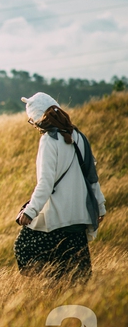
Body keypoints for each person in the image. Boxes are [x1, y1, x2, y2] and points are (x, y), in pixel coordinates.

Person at [14, 92, 106, 283]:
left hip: (57, 217)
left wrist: (30, 211)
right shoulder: (79, 136)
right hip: (80, 216)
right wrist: (101, 205)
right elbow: (92, 177)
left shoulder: (49, 140)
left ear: (40, 118)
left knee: (23, 247)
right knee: (77, 277)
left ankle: (50, 292)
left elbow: (45, 183)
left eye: (32, 121)